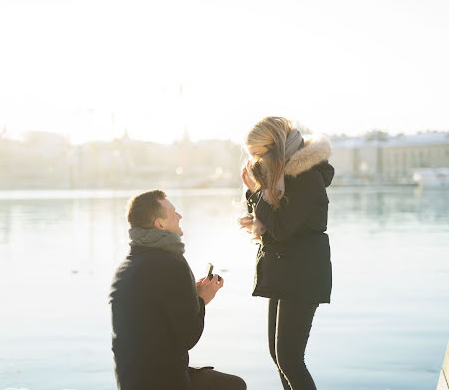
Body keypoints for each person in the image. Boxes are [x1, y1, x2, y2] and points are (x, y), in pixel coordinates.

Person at [109, 190, 246, 390]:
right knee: (234, 386)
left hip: (130, 381)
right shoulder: (172, 264)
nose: (180, 216)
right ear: (160, 224)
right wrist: (201, 300)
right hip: (164, 382)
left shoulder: (125, 267)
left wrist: (191, 296)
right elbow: (189, 336)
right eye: (174, 213)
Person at [239, 117, 334, 390]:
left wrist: (256, 192)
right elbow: (267, 218)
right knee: (278, 357)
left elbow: (279, 229)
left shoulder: (305, 177)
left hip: (303, 272)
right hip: (284, 269)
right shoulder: (280, 175)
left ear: (275, 149)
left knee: (290, 359)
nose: (256, 161)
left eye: (259, 154)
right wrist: (254, 194)